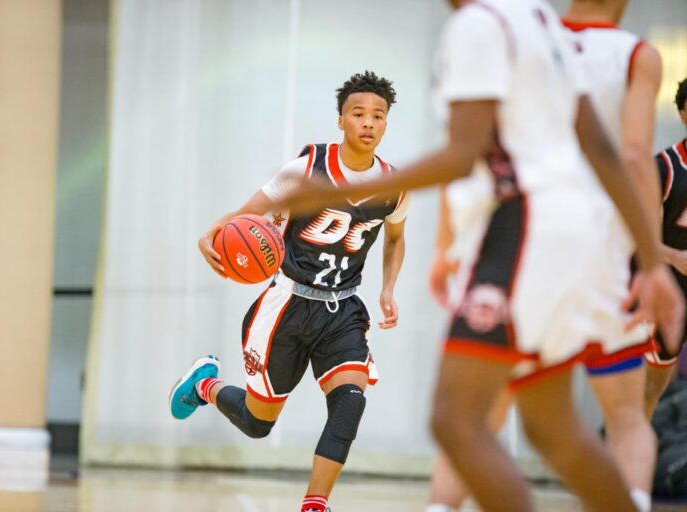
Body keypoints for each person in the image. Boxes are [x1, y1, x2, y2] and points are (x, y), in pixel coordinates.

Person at [274, 1, 684, 510]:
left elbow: (460, 155)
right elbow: (600, 147)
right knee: (551, 429)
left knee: (457, 419)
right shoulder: (537, 18)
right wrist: (648, 260)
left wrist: (325, 195)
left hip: (523, 233)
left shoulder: (476, 25)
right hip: (575, 235)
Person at [425, 1, 664, 510]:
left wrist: (448, 242)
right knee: (613, 416)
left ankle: (441, 506)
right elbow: (630, 156)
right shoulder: (620, 50)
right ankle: (635, 501)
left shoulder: (516, 30)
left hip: (522, 239)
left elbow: (470, 149)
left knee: (474, 413)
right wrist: (650, 259)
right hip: (601, 247)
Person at [169, 71, 409, 512]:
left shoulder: (393, 185)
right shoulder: (307, 169)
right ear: (341, 120)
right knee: (259, 424)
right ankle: (205, 384)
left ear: (387, 124)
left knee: (351, 402)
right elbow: (245, 218)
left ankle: (314, 504)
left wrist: (388, 288)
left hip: (343, 310)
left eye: (378, 116)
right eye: (359, 114)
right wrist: (210, 235)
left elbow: (395, 239)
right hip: (288, 304)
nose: (369, 123)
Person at [645, 77, 687, 417]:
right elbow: (638, 236)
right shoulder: (664, 167)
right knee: (649, 395)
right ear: (683, 115)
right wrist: (676, 257)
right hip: (670, 294)